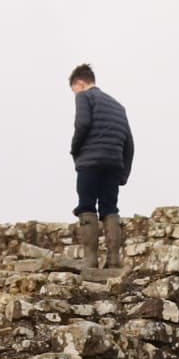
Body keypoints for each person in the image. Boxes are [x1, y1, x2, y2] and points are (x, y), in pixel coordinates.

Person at [68, 63, 134, 269]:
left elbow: (82, 124)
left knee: (87, 206)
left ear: (80, 83)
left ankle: (90, 260)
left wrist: (75, 150)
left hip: (90, 162)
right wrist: (123, 172)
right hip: (114, 163)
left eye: (74, 90)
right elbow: (129, 143)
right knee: (109, 208)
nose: (74, 94)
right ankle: (114, 260)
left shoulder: (84, 97)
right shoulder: (118, 106)